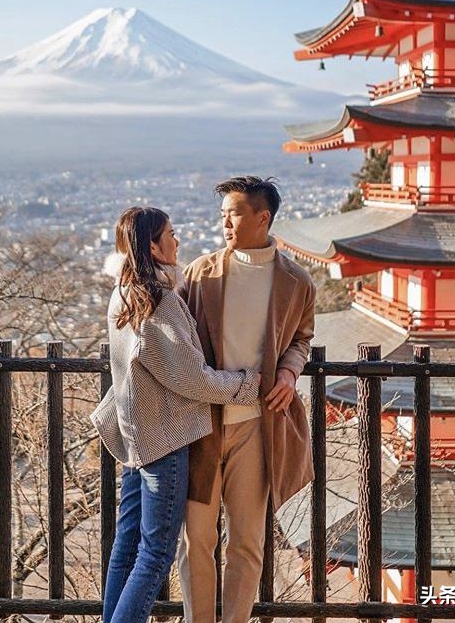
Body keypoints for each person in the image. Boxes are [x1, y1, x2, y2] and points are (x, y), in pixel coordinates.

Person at [90, 206, 261, 623]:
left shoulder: (123, 293)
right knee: (156, 553)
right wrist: (245, 384)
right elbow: (190, 377)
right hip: (162, 440)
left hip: (135, 437)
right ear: (153, 245)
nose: (178, 240)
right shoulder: (158, 301)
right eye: (171, 233)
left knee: (127, 546)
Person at [177, 176, 316, 623]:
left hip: (259, 423)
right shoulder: (203, 273)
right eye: (223, 214)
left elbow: (301, 338)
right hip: (203, 422)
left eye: (234, 213)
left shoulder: (296, 282)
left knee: (247, 540)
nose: (225, 222)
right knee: (196, 537)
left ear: (262, 217)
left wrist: (291, 371)